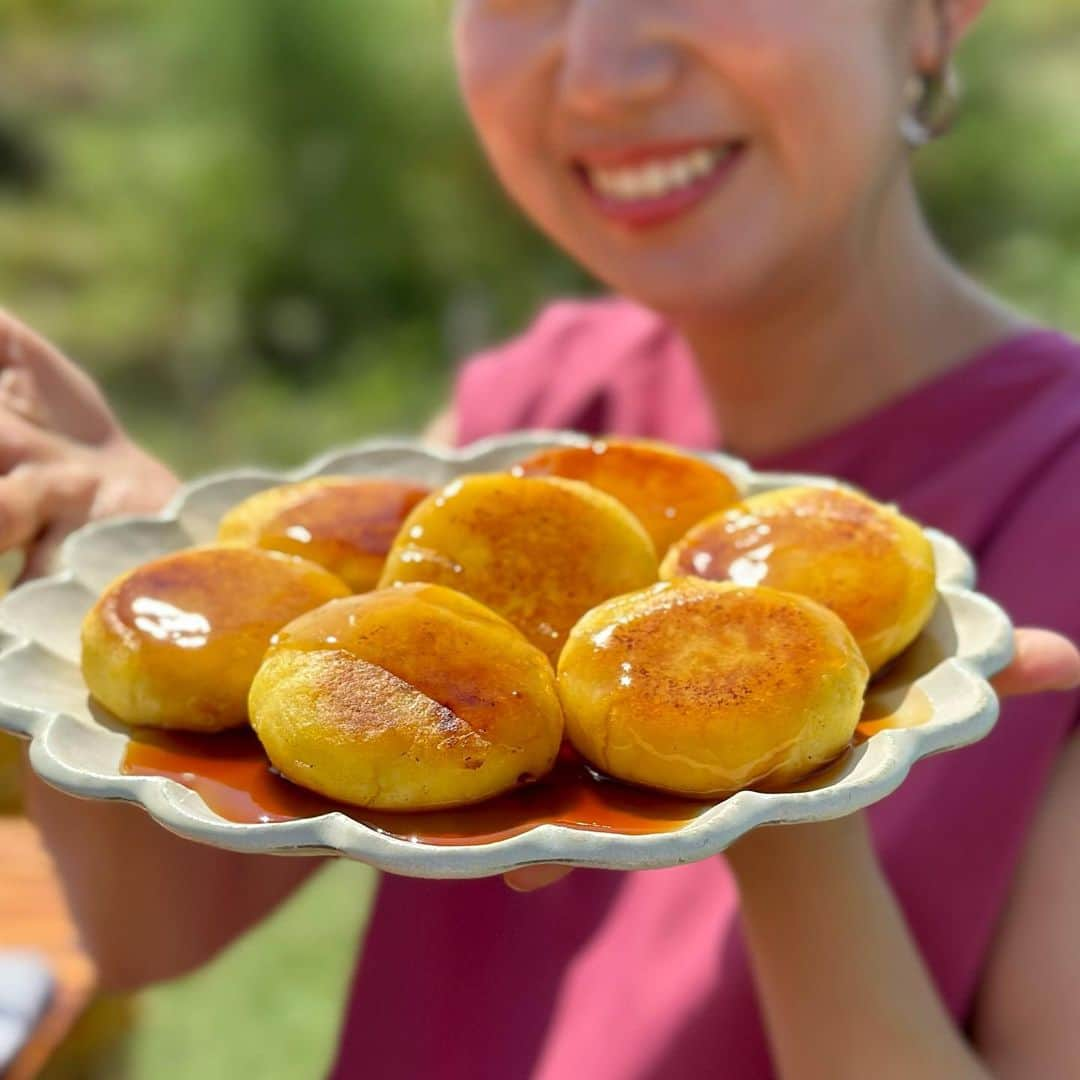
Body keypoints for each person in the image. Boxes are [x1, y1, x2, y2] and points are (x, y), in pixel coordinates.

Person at [6, 0, 1080, 1076]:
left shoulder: (1055, 502)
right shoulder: (522, 442)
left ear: (938, 18)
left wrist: (785, 777)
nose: (606, 69)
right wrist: (116, 560)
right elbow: (152, 935)